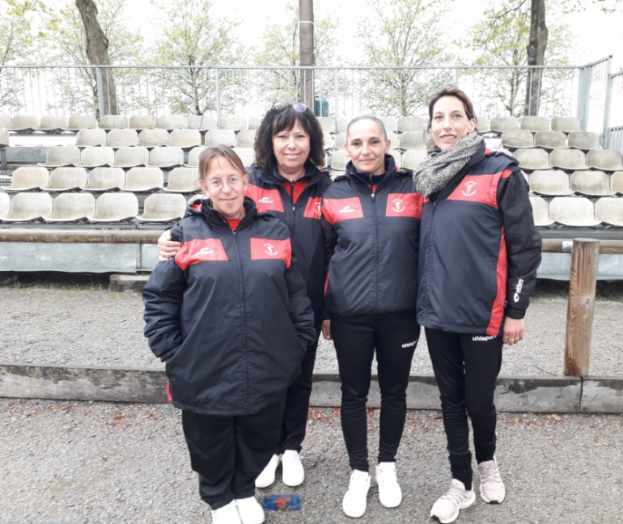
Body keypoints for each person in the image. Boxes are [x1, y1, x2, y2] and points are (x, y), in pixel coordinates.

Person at [158, 103, 331, 489]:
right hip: (256, 305)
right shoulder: (250, 181)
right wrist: (170, 234)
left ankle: (292, 448)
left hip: (304, 302)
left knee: (299, 378)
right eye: (283, 135)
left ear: (312, 141)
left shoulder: (326, 187)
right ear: (270, 140)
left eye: (300, 136)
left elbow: (338, 246)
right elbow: (207, 210)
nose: (291, 144)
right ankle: (267, 452)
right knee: (264, 382)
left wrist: (328, 307)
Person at [143, 146, 316, 524]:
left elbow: (296, 296)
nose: (226, 189)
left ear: (246, 182)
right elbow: (160, 297)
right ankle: (220, 498)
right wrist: (172, 350)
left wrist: (296, 344)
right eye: (216, 181)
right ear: (203, 186)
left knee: (258, 432)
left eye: (233, 179)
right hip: (204, 365)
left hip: (265, 362)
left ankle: (243, 490)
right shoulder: (184, 234)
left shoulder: (274, 231)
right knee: (211, 437)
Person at [413, 87, 541, 524]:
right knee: (450, 398)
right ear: (430, 127)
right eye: (438, 117)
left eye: (455, 116)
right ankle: (459, 482)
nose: (446, 125)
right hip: (438, 311)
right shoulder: (427, 178)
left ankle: (487, 462)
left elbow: (525, 247)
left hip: (484, 313)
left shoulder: (501, 172)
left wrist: (516, 311)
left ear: (471, 121)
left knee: (479, 399)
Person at [321, 115, 422, 518]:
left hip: (401, 314)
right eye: (357, 143)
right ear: (347, 148)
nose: (365, 150)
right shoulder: (333, 194)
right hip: (350, 316)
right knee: (353, 394)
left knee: (395, 392)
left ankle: (387, 466)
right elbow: (323, 256)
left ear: (387, 143)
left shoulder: (413, 188)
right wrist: (327, 310)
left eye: (373, 141)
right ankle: (359, 471)